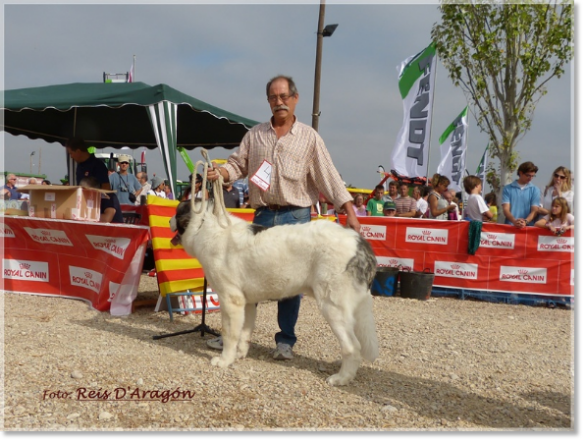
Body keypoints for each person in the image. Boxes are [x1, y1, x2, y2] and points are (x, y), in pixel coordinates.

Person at [204, 74, 360, 360]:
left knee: (291, 283)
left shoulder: (310, 138)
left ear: (295, 98)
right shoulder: (255, 135)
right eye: (274, 98)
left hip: (296, 218)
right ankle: (234, 338)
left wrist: (349, 211)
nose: (279, 102)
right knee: (244, 278)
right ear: (268, 101)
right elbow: (237, 165)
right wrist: (221, 172)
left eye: (284, 97)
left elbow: (329, 177)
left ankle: (285, 341)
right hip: (262, 217)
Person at [502, 161, 541, 228]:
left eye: (533, 176)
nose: (530, 178)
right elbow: (506, 209)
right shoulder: (507, 188)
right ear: (520, 173)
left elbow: (534, 210)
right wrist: (514, 221)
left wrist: (525, 221)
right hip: (510, 226)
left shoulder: (535, 190)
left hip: (528, 227)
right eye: (528, 175)